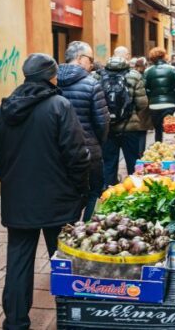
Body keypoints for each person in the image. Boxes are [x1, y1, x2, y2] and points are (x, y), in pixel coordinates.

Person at [0, 53, 89, 330]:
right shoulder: (59, 106)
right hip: (59, 200)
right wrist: (80, 189)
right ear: (50, 76)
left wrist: (11, 180)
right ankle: (69, 318)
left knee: (18, 261)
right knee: (64, 262)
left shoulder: (4, 109)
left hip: (18, 201)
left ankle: (16, 322)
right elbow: (77, 155)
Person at [57, 41, 110, 220]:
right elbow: (102, 123)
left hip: (60, 150)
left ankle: (68, 229)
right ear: (79, 59)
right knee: (94, 191)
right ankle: (86, 228)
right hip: (89, 150)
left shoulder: (52, 82)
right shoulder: (92, 84)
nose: (93, 63)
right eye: (90, 59)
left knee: (67, 192)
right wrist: (97, 143)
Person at [99, 55, 149, 186]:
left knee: (109, 162)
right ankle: (136, 189)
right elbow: (142, 104)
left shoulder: (98, 76)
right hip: (129, 127)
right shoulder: (134, 76)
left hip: (108, 128)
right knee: (133, 160)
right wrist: (130, 112)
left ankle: (109, 190)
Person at [143, 47, 175, 142]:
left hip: (154, 105)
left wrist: (151, 94)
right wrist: (174, 93)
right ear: (163, 56)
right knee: (168, 130)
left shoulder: (148, 71)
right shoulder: (172, 69)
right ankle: (169, 151)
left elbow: (143, 88)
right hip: (169, 104)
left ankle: (159, 151)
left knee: (158, 131)